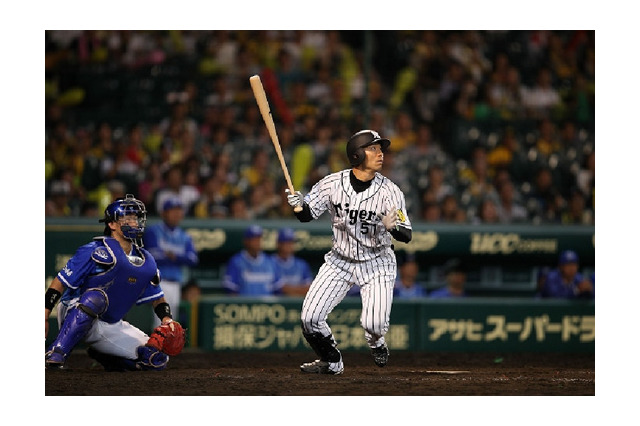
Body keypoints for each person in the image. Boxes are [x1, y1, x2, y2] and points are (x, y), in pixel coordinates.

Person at [286, 129, 412, 375]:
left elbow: (407, 234)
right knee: (310, 318)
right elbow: (307, 215)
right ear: (356, 155)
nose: (380, 153)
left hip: (378, 262)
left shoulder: (390, 191)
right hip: (339, 262)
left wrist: (394, 227)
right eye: (373, 148)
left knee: (374, 324)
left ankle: (377, 343)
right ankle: (331, 361)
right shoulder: (333, 183)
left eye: (380, 148)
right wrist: (298, 206)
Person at [45, 194, 181, 371]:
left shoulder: (145, 260)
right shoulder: (95, 250)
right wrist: (45, 315)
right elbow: (59, 282)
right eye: (127, 218)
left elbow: (158, 298)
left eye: (135, 218)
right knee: (97, 297)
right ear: (112, 224)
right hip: (75, 309)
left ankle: (106, 356)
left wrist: (167, 319)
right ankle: (56, 352)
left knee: (156, 360)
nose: (134, 222)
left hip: (110, 323)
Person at [143, 197, 199, 328]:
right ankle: (156, 347)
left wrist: (173, 256)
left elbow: (193, 259)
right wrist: (177, 257)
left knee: (171, 323)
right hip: (158, 283)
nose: (176, 214)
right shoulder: (154, 231)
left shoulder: (185, 236)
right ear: (164, 213)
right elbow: (152, 255)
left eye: (178, 211)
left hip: (176, 284)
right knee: (160, 322)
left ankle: (165, 348)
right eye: (172, 211)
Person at [223, 225, 281, 296]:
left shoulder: (270, 261)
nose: (257, 242)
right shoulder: (236, 261)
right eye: (254, 239)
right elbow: (231, 289)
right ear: (246, 241)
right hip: (245, 305)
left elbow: (278, 289)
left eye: (258, 239)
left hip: (267, 306)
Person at [271, 227, 313, 297]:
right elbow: (280, 289)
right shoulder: (270, 262)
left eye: (291, 242)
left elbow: (309, 289)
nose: (289, 245)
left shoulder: (301, 264)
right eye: (286, 242)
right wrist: (300, 290)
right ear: (279, 244)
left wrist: (291, 290)